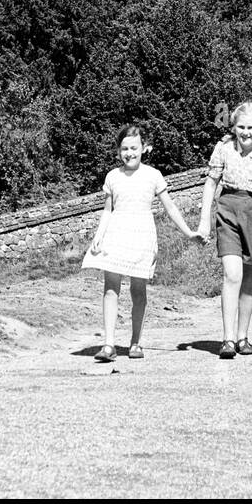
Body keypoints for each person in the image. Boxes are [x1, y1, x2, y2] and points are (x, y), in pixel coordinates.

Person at [82, 126, 201, 361]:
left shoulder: (153, 175)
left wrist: (189, 233)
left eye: (133, 148)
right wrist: (98, 235)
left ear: (143, 148)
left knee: (138, 290)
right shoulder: (112, 177)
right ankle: (108, 345)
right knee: (110, 287)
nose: (129, 153)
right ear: (118, 151)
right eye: (124, 149)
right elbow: (107, 210)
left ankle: (135, 342)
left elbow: (170, 207)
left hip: (142, 236)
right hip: (115, 234)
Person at [196, 101, 252, 358]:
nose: (245, 132)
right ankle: (226, 340)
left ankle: (242, 337)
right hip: (228, 212)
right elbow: (211, 183)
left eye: (251, 127)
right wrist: (204, 221)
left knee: (248, 280)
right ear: (233, 126)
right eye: (240, 127)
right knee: (232, 275)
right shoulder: (223, 149)